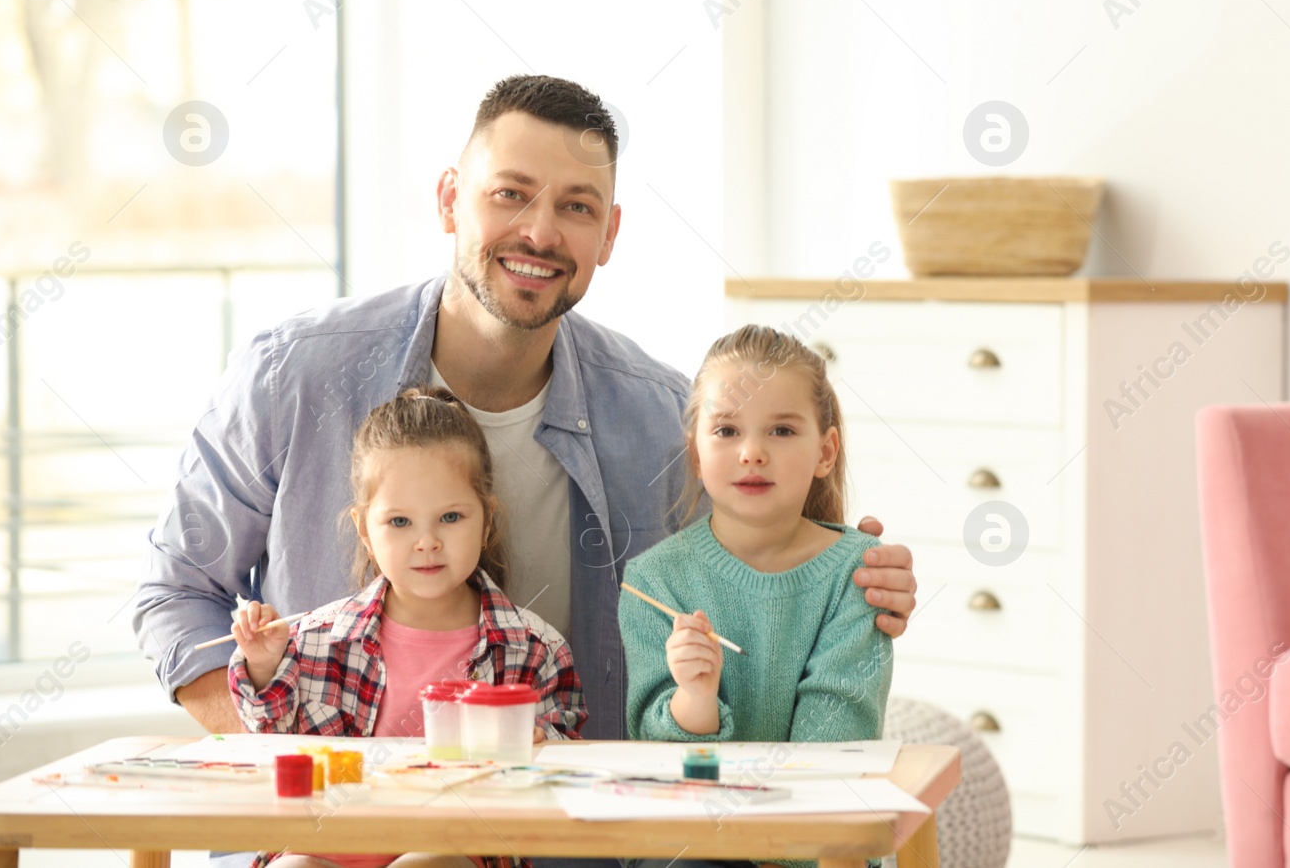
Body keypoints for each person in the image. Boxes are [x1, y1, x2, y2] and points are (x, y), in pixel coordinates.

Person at [131, 75, 919, 867]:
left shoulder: (661, 416)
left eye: (576, 206)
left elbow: (747, 581)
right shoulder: (293, 375)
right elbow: (174, 596)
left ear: (608, 235)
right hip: (325, 837)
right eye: (510, 193)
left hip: (574, 847)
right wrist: (322, 783)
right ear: (449, 200)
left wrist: (851, 569)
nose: (540, 232)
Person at [229, 386, 581, 868]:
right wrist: (264, 666)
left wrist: (540, 748)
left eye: (451, 517)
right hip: (325, 845)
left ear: (486, 521)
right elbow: (268, 739)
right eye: (399, 522)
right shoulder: (315, 639)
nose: (427, 542)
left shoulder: (533, 649)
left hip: (455, 847)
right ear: (364, 531)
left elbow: (570, 773)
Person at [619, 326, 891, 868]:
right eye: (725, 430)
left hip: (816, 844)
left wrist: (772, 852)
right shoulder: (653, 581)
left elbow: (837, 743)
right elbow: (664, 767)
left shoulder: (858, 573)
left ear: (826, 450)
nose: (751, 453)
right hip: (693, 842)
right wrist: (695, 700)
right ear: (696, 453)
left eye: (783, 431)